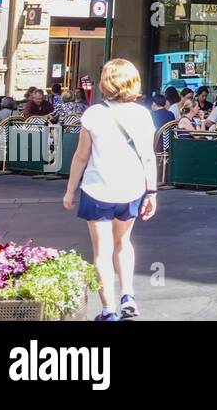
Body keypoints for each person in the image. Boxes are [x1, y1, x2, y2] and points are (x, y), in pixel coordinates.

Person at [61, 58, 158, 321]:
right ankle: (128, 295)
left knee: (101, 252)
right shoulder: (143, 114)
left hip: (98, 188)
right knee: (123, 243)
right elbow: (149, 156)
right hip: (132, 187)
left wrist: (70, 191)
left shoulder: (94, 114)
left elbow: (81, 157)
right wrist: (152, 192)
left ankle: (109, 309)